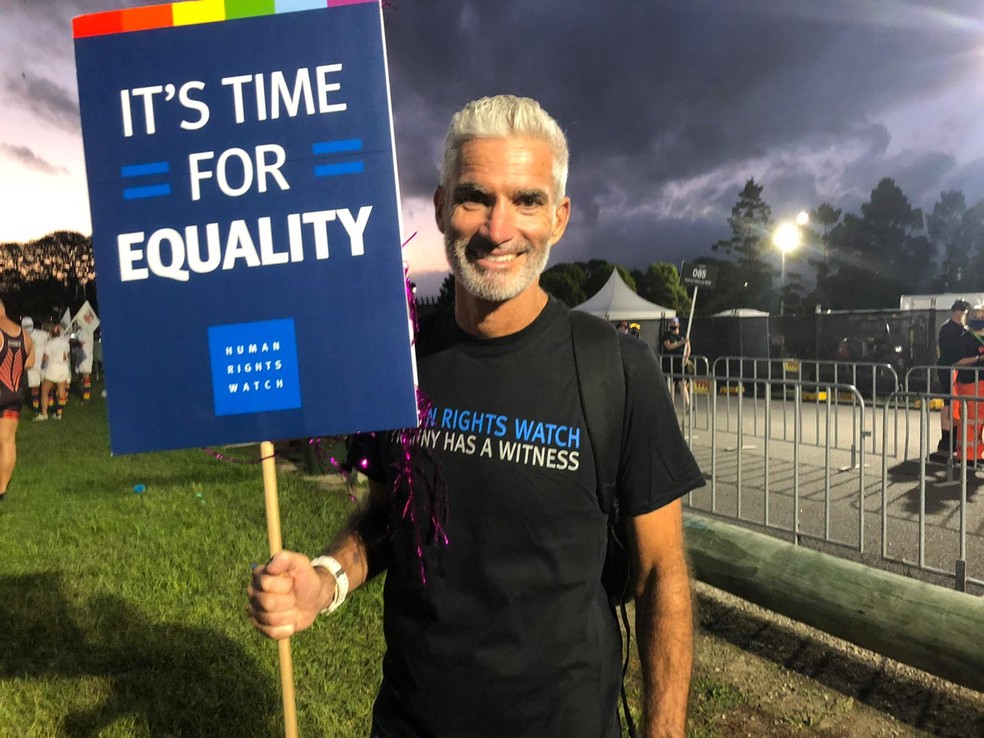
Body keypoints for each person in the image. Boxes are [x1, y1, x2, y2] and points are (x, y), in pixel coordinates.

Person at [248, 95, 704, 737]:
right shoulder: (397, 363)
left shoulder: (618, 370)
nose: (498, 228)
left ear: (560, 217)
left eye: (527, 200)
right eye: (474, 197)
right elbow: (385, 519)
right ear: (439, 208)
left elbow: (663, 575)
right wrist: (324, 580)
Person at [0, 298, 33, 502]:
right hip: (14, 393)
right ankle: (1, 490)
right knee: (7, 441)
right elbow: (30, 362)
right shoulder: (24, 335)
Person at [931, 299, 969, 462]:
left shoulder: (959, 328)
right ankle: (946, 442)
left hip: (954, 369)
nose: (963, 316)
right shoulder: (948, 329)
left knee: (953, 404)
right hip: (948, 369)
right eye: (963, 313)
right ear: (958, 312)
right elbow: (950, 351)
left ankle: (950, 441)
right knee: (948, 403)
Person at [951, 304, 984, 465]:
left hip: (980, 384)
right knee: (971, 421)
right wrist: (978, 359)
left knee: (978, 422)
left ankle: (976, 455)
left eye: (982, 317)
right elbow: (957, 361)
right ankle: (967, 457)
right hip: (970, 382)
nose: (980, 320)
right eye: (976, 317)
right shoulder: (964, 338)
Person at [38, 323, 70, 421]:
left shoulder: (50, 343)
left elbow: (45, 357)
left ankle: (44, 414)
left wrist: (42, 364)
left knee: (44, 391)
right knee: (61, 393)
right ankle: (59, 414)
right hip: (64, 368)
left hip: (53, 368)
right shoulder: (65, 343)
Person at [660, 316, 691, 406]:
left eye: (674, 322)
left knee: (683, 384)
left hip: (680, 363)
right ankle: (671, 405)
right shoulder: (667, 335)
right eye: (671, 323)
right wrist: (680, 343)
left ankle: (687, 405)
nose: (673, 324)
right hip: (670, 362)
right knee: (671, 385)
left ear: (678, 324)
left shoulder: (683, 335)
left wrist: (686, 358)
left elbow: (688, 348)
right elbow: (668, 346)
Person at [22, 317, 48, 416]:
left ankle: (48, 406)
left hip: (43, 365)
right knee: (34, 387)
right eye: (25, 327)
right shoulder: (22, 336)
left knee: (46, 387)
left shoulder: (42, 334)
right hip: (31, 366)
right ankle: (36, 409)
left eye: (29, 326)